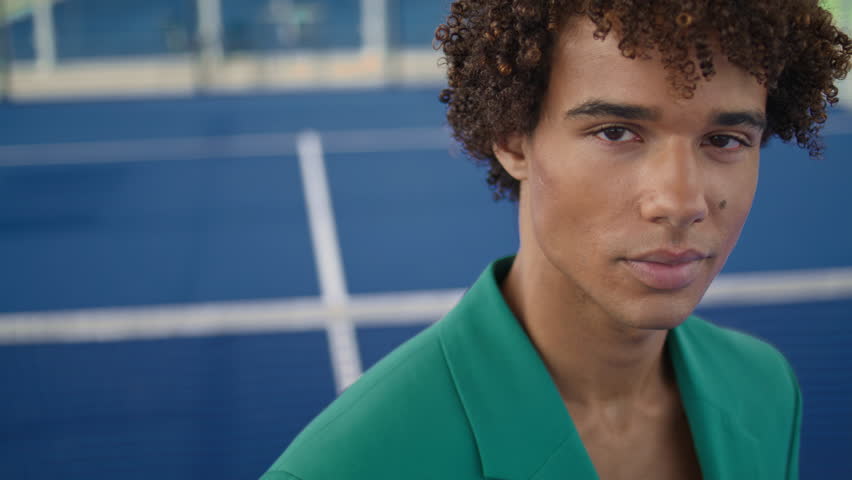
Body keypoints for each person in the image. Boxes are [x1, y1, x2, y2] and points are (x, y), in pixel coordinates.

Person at [262, 1, 850, 479]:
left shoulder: (767, 391)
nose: (680, 201)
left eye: (725, 139)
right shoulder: (347, 466)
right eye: (617, 131)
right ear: (513, 140)